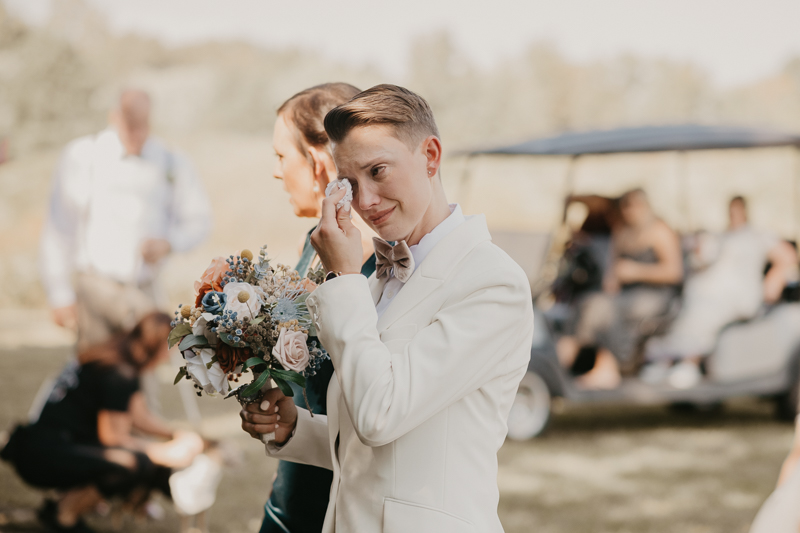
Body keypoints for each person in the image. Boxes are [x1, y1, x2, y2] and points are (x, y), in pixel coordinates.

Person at [241, 84, 533, 532]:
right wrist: (293, 429)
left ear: (431, 156)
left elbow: (382, 415)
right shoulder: (383, 277)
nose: (367, 201)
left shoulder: (491, 282)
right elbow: (381, 445)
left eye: (379, 171)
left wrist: (342, 278)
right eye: (351, 184)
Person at [258, 83, 377, 533]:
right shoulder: (314, 242)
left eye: (281, 156)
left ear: (320, 162)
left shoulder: (376, 267)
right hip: (294, 477)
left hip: (344, 495)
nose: (275, 172)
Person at [39, 88, 212, 352]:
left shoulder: (171, 161)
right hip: (94, 288)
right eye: (128, 122)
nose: (136, 132)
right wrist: (59, 293)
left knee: (142, 382)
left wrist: (169, 243)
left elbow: (199, 220)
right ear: (113, 116)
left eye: (141, 123)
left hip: (144, 290)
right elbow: (59, 229)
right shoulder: (83, 156)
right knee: (97, 376)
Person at [1, 312, 204, 533]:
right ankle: (64, 515)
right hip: (44, 455)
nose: (169, 357)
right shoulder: (119, 373)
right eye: (172, 349)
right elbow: (113, 438)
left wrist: (175, 434)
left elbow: (138, 416)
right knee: (133, 464)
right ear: (156, 345)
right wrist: (164, 452)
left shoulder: (112, 356)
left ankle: (62, 508)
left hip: (41, 444)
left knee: (138, 459)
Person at [644, 196, 799, 388]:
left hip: (737, 296)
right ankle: (668, 359)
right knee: (687, 310)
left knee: (705, 313)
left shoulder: (757, 236)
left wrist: (774, 279)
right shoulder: (719, 237)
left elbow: (787, 256)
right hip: (706, 293)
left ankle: (689, 361)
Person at [556, 189, 683, 389]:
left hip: (655, 295)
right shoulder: (622, 231)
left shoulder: (659, 231)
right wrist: (611, 281)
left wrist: (637, 271)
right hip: (626, 294)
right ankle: (567, 356)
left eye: (632, 208)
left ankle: (609, 367)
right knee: (588, 302)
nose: (628, 213)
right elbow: (612, 268)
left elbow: (674, 273)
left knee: (603, 310)